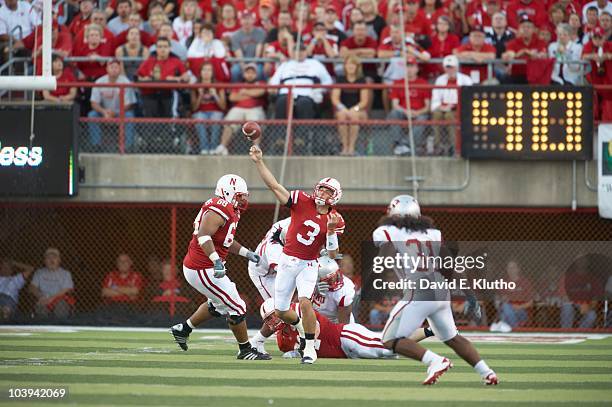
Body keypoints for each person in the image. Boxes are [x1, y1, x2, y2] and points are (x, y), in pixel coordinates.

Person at [373, 195, 498, 385]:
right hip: (440, 291)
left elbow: (384, 259)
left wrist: (368, 286)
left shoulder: (387, 231)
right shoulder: (432, 233)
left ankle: (435, 360)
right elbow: (449, 265)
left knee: (390, 340)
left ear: (393, 213)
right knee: (453, 338)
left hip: (418, 292)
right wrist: (469, 294)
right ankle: (487, 372)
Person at [250, 144, 345, 364]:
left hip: (308, 264)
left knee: (304, 301)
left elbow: (333, 253)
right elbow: (274, 186)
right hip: (287, 261)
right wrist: (259, 162)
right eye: (321, 189)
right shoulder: (302, 201)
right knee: (282, 311)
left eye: (327, 191)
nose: (322, 193)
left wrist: (330, 231)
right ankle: (303, 329)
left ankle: (310, 347)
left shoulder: (335, 219)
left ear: (335, 196)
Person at [169, 174, 270, 361]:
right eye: (240, 195)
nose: (244, 199)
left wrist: (247, 253)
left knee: (217, 305)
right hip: (202, 267)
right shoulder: (219, 208)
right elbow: (204, 236)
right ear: (228, 192)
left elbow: (225, 241)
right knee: (238, 306)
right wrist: (216, 260)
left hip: (204, 266)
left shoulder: (230, 209)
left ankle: (183, 329)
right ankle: (245, 350)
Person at [268, 41, 333, 153]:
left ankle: (301, 139)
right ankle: (280, 139)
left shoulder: (315, 64)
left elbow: (328, 81)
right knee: (282, 102)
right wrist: (273, 89)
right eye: (297, 50)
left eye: (302, 50)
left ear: (306, 51)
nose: (299, 52)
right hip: (286, 92)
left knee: (304, 104)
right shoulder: (285, 65)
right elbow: (274, 82)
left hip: (307, 93)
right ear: (292, 52)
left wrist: (318, 90)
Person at [248, 217, 292, 354]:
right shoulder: (275, 246)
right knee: (280, 309)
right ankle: (256, 342)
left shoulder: (293, 221)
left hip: (285, 267)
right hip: (266, 274)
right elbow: (284, 275)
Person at [217, 63, 267, 155]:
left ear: (256, 74)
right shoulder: (239, 84)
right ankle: (222, 146)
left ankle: (256, 147)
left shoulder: (261, 83)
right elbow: (232, 97)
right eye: (248, 72)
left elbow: (260, 92)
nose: (250, 75)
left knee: (254, 122)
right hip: (238, 108)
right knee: (229, 121)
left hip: (254, 108)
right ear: (244, 74)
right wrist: (251, 94)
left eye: (252, 73)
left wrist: (244, 92)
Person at [88, 59, 137, 152]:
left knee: (130, 116)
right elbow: (94, 103)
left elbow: (129, 104)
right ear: (107, 68)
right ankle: (96, 146)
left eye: (116, 67)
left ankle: (128, 147)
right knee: (92, 115)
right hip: (103, 112)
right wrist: (104, 112)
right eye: (112, 67)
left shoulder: (125, 82)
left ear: (120, 69)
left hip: (121, 112)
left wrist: (115, 113)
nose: (114, 69)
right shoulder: (99, 82)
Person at [386, 56, 431, 156]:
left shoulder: (423, 83)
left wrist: (417, 112)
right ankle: (398, 143)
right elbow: (395, 105)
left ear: (417, 69)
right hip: (403, 112)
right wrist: (406, 111)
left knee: (423, 118)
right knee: (394, 114)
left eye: (412, 66)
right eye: (407, 66)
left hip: (419, 112)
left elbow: (427, 106)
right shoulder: (398, 83)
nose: (409, 69)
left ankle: (405, 145)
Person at [137, 37, 189, 118]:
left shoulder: (176, 61)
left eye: (165, 46)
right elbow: (137, 77)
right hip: (150, 95)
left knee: (167, 119)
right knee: (151, 121)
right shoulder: (149, 61)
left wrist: (176, 79)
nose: (162, 49)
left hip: (168, 95)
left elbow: (186, 77)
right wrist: (144, 79)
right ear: (156, 48)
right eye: (160, 47)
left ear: (169, 48)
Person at [431, 55, 472, 156]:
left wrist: (453, 106)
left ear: (457, 67)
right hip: (443, 108)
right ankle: (438, 146)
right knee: (437, 114)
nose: (450, 70)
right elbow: (435, 99)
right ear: (444, 68)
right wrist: (441, 107)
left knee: (449, 115)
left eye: (452, 67)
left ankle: (454, 147)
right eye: (448, 67)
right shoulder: (440, 80)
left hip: (459, 109)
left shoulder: (466, 79)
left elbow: (468, 99)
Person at [331, 55, 370, 156]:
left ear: (357, 67)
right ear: (345, 66)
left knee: (354, 116)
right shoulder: (340, 79)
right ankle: (345, 147)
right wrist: (343, 109)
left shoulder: (362, 80)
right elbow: (335, 98)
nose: (351, 66)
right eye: (348, 64)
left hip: (358, 110)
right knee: (342, 116)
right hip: (343, 109)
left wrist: (354, 109)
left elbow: (364, 101)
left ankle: (351, 148)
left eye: (353, 64)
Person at [190, 62, 226, 155]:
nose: (206, 72)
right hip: (200, 112)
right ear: (200, 72)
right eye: (204, 70)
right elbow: (194, 108)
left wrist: (215, 95)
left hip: (215, 111)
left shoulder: (218, 84)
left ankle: (213, 148)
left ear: (212, 72)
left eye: (209, 70)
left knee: (216, 118)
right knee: (199, 119)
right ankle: (204, 148)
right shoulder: (195, 85)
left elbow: (223, 107)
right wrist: (200, 96)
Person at [29, 248, 75, 319]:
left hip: (59, 299)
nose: (51, 260)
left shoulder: (66, 273)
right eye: (48, 257)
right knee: (41, 308)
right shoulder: (39, 272)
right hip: (43, 298)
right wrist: (40, 296)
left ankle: (60, 326)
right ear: (44, 261)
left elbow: (67, 289)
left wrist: (51, 299)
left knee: (61, 307)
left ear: (59, 260)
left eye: (54, 257)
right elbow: (32, 287)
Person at [502, 16, 547, 84]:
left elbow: (543, 56)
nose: (526, 29)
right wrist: (524, 53)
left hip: (536, 75)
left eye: (528, 27)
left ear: (534, 29)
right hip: (517, 75)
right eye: (523, 27)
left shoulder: (540, 42)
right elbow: (509, 55)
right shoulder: (512, 43)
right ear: (519, 29)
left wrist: (524, 53)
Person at [312, 255, 356, 324]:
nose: (333, 280)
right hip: (314, 319)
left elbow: (343, 323)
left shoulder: (345, 288)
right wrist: (311, 291)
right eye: (328, 279)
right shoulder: (310, 281)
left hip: (335, 322)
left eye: (334, 275)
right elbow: (298, 304)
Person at [494, 260, 534, 330]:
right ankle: (515, 328)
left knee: (504, 314)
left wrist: (519, 307)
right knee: (505, 310)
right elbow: (499, 301)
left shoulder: (524, 282)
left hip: (522, 311)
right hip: (508, 310)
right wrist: (501, 299)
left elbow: (531, 302)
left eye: (513, 267)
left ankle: (511, 329)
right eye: (509, 268)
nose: (511, 270)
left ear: (518, 269)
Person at [230, 10, 266, 81]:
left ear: (253, 20)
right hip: (242, 62)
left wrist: (252, 66)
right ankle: (236, 90)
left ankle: (260, 91)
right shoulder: (235, 35)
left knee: (260, 71)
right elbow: (239, 55)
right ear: (240, 21)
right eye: (244, 19)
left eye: (249, 19)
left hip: (256, 62)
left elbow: (258, 52)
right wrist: (244, 67)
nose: (246, 21)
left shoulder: (260, 32)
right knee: (235, 71)